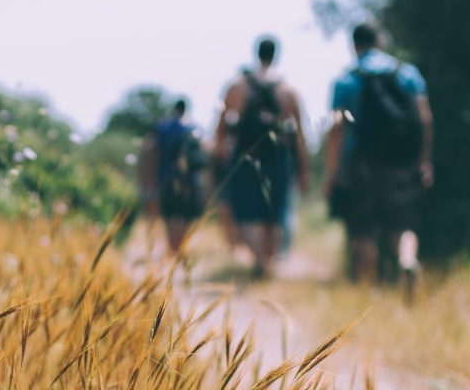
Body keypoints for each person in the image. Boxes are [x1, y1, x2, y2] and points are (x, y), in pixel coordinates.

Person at [323, 23, 434, 300]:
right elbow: (424, 119)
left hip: (361, 163)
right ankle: (407, 261)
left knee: (363, 228)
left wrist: (332, 172)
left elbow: (337, 130)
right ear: (381, 41)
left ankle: (369, 293)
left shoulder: (346, 80)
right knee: (402, 222)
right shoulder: (406, 73)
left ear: (354, 45)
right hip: (401, 160)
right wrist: (423, 160)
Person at [215, 37, 310, 278]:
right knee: (274, 210)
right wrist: (303, 170)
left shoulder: (238, 86)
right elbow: (299, 135)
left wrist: (219, 160)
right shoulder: (288, 90)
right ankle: (268, 260)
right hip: (278, 155)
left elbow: (221, 129)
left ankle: (259, 259)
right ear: (276, 55)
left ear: (256, 54)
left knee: (247, 210)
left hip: (246, 154)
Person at [140, 99, 206, 255]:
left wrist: (149, 180)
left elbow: (151, 153)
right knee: (186, 215)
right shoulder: (193, 128)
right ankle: (180, 245)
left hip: (167, 178)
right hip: (190, 180)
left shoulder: (163, 127)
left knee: (170, 216)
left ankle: (172, 248)